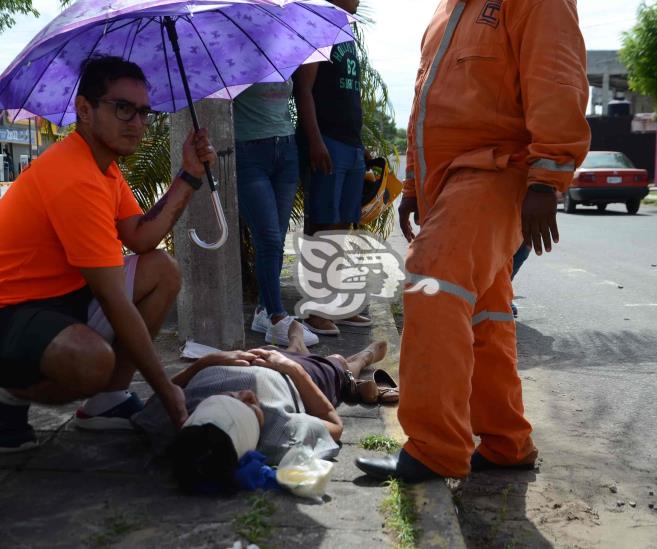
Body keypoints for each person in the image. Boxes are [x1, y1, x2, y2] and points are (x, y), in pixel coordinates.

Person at [356, 0, 591, 482]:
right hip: (450, 184)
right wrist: (416, 185)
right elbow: (425, 104)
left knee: (432, 280)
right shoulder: (446, 11)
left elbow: (557, 76)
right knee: (486, 310)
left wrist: (548, 176)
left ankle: (435, 449)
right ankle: (506, 441)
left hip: (499, 169)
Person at [0, 56, 217, 452]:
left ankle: (106, 403)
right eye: (122, 108)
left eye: (142, 112)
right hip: (12, 311)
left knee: (162, 271)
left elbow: (140, 237)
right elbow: (114, 300)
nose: (135, 122)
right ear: (84, 109)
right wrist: (168, 394)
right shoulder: (74, 178)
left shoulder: (103, 167)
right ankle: (6, 397)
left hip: (63, 298)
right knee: (91, 361)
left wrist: (189, 176)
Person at [132, 321, 388, 492]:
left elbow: (156, 398)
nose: (244, 393)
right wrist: (295, 370)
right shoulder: (281, 433)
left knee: (274, 352)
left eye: (229, 396)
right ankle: (360, 360)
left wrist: (205, 363)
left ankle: (295, 346)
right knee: (335, 364)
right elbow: (335, 425)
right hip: (296, 379)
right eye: (250, 405)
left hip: (254, 357)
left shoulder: (179, 418)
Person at [293, 0, 371, 336]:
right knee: (322, 226)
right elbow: (304, 90)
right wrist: (315, 141)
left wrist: (360, 143)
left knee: (341, 226)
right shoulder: (317, 28)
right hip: (327, 142)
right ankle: (315, 309)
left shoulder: (346, 32)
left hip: (350, 144)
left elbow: (348, 94)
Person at [233, 82, 318, 347]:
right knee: (268, 237)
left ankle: (263, 310)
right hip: (248, 152)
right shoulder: (232, 55)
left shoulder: (282, 54)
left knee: (277, 239)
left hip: (286, 150)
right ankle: (276, 318)